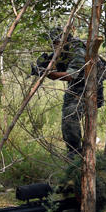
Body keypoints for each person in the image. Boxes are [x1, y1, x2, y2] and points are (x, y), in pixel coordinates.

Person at [35, 27, 89, 157]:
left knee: (71, 116)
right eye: (53, 43)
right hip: (75, 86)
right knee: (66, 118)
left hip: (88, 87)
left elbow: (71, 75)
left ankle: (76, 153)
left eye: (56, 42)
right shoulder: (63, 51)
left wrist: (49, 74)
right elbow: (58, 66)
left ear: (64, 40)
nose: (54, 46)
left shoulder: (77, 48)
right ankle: (73, 151)